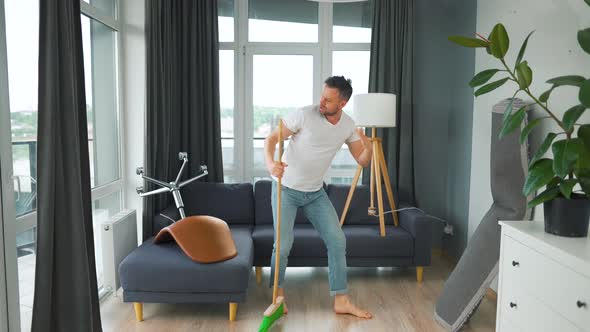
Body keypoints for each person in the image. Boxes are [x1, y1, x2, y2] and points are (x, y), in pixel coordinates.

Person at [264, 76, 373, 319]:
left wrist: (369, 146)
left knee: (337, 241)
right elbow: (271, 139)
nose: (321, 102)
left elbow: (363, 161)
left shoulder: (348, 125)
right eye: (322, 96)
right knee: (282, 246)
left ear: (342, 103)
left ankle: (341, 300)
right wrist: (271, 164)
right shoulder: (304, 115)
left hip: (315, 193)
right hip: (286, 189)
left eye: (328, 99)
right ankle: (278, 296)